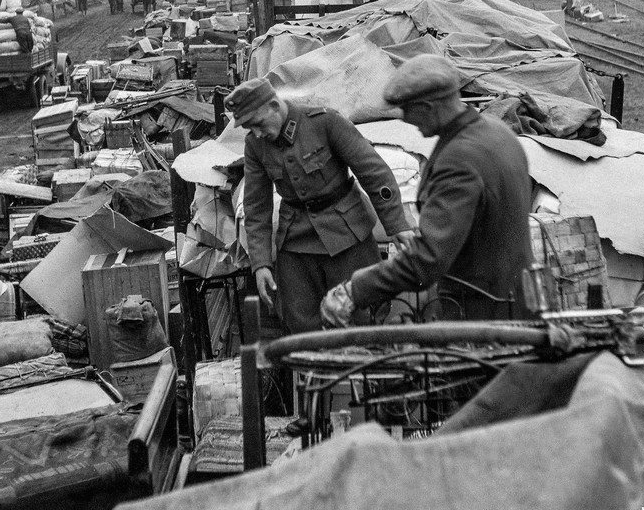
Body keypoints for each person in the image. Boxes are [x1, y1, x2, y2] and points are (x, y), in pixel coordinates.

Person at [321, 54, 533, 327]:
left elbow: (428, 259)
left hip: (484, 317)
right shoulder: (498, 133)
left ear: (430, 107)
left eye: (408, 109)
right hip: (518, 301)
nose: (406, 119)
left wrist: (355, 289)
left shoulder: (459, 159)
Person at [225, 78, 413, 335]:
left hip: (347, 234)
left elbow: (374, 173)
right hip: (296, 240)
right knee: (300, 320)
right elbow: (256, 207)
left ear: (273, 106)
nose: (257, 133)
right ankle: (318, 373)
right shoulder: (255, 145)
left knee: (364, 314)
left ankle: (365, 372)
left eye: (257, 124)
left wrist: (397, 225)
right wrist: (261, 265)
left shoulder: (325, 123)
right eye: (249, 127)